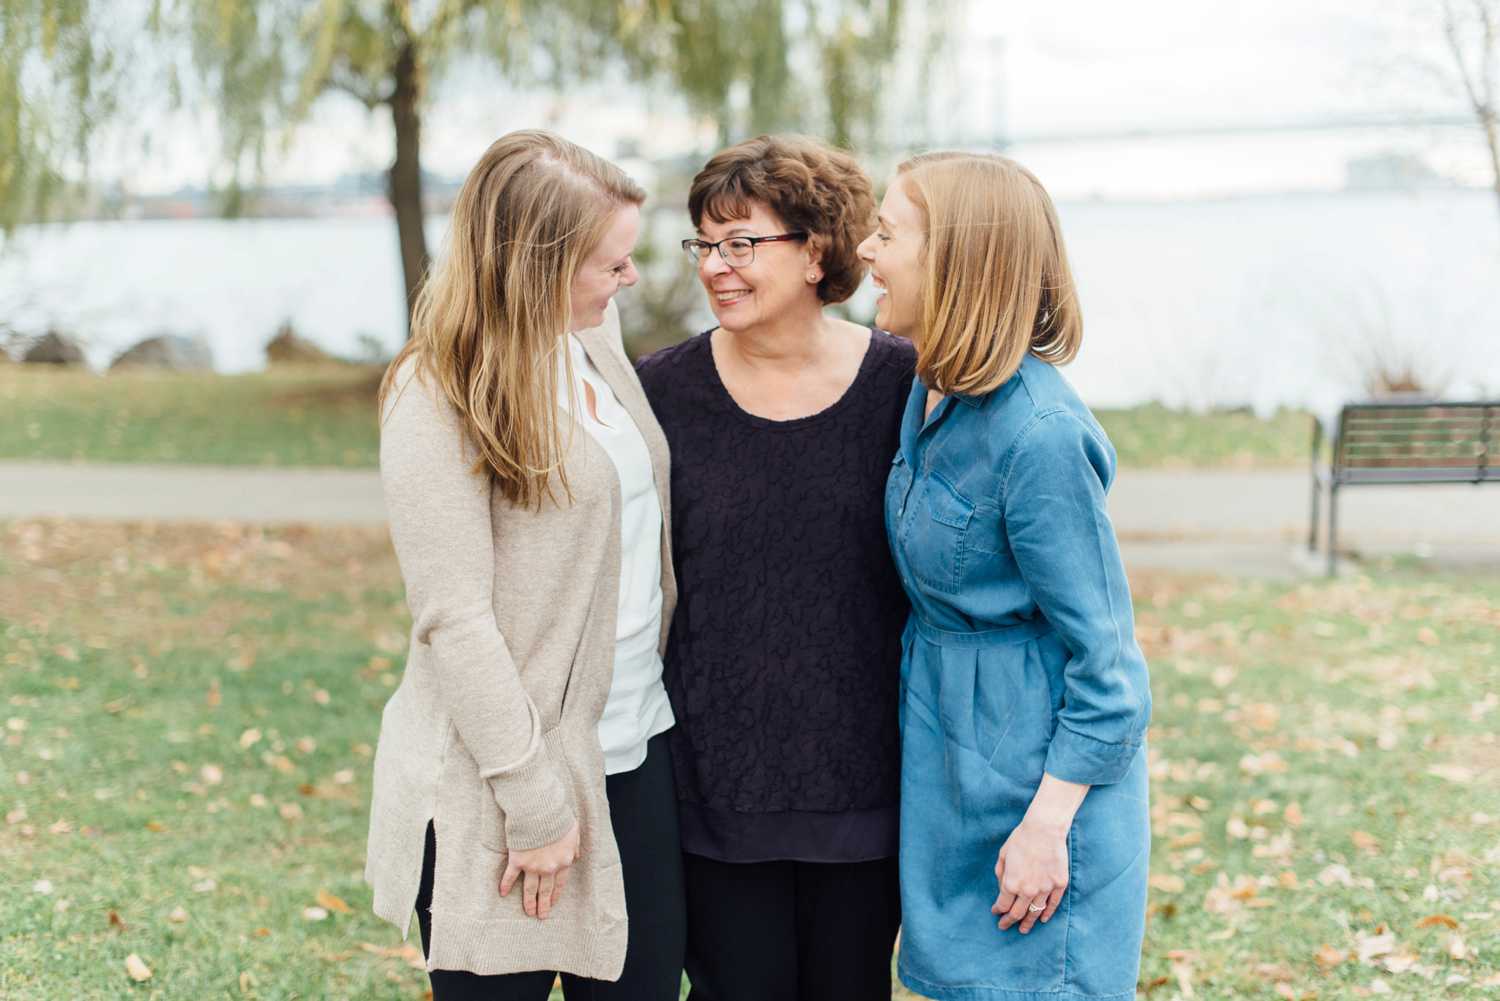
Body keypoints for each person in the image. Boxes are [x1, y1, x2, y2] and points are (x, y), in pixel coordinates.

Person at [364, 130, 685, 1001]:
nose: (629, 281)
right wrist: (535, 802)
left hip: (632, 754)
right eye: (610, 264)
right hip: (499, 781)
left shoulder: (594, 339)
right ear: (535, 264)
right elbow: (454, 617)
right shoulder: (436, 394)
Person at [857, 151, 1151, 1001]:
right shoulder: (927, 388)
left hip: (1039, 792)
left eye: (887, 233)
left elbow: (1111, 671)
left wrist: (1047, 826)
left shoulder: (1041, 435)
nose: (867, 252)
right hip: (952, 762)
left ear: (957, 259)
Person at [634, 134, 915, 1001]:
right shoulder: (658, 394)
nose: (715, 267)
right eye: (704, 245)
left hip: (868, 783)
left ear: (818, 250)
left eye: (741, 243)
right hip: (715, 789)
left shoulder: (905, 384)